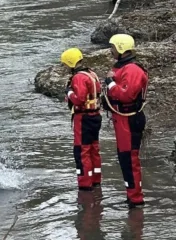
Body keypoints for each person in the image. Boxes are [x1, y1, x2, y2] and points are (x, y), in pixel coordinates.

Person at [104, 34, 147, 207]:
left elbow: (126, 94)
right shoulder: (122, 67)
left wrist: (110, 83)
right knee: (125, 158)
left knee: (129, 158)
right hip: (121, 119)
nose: (111, 50)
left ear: (121, 48)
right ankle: (132, 195)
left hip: (129, 119)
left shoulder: (132, 69)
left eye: (113, 47)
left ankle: (136, 200)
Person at [61, 47, 102, 190]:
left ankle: (85, 184)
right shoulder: (91, 73)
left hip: (83, 118)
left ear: (70, 63)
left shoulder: (78, 77)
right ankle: (96, 180)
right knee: (93, 149)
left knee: (82, 151)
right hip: (95, 117)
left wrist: (70, 92)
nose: (65, 67)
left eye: (65, 64)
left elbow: (79, 100)